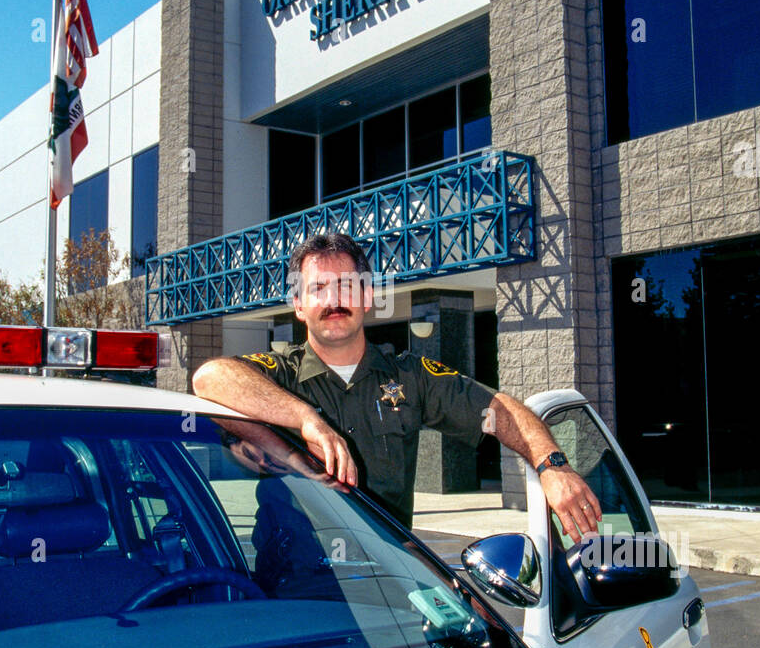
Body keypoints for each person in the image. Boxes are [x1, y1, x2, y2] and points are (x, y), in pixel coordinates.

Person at [193, 231, 601, 540]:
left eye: (347, 286)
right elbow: (208, 377)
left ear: (367, 297)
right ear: (298, 305)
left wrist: (552, 466)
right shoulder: (278, 374)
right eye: (317, 289)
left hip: (387, 576)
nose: (334, 300)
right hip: (294, 585)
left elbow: (499, 410)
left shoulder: (410, 376)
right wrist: (305, 420)